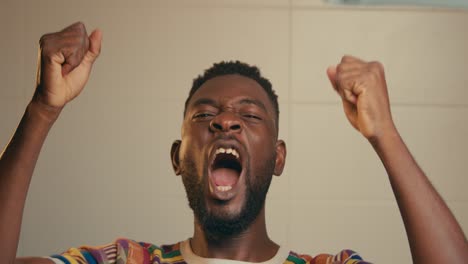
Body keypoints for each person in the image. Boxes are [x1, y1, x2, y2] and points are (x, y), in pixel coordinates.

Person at [1, 22, 467, 264]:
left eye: (249, 115)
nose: (225, 121)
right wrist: (42, 110)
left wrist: (384, 133)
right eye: (204, 116)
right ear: (178, 159)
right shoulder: (124, 260)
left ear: (279, 157)